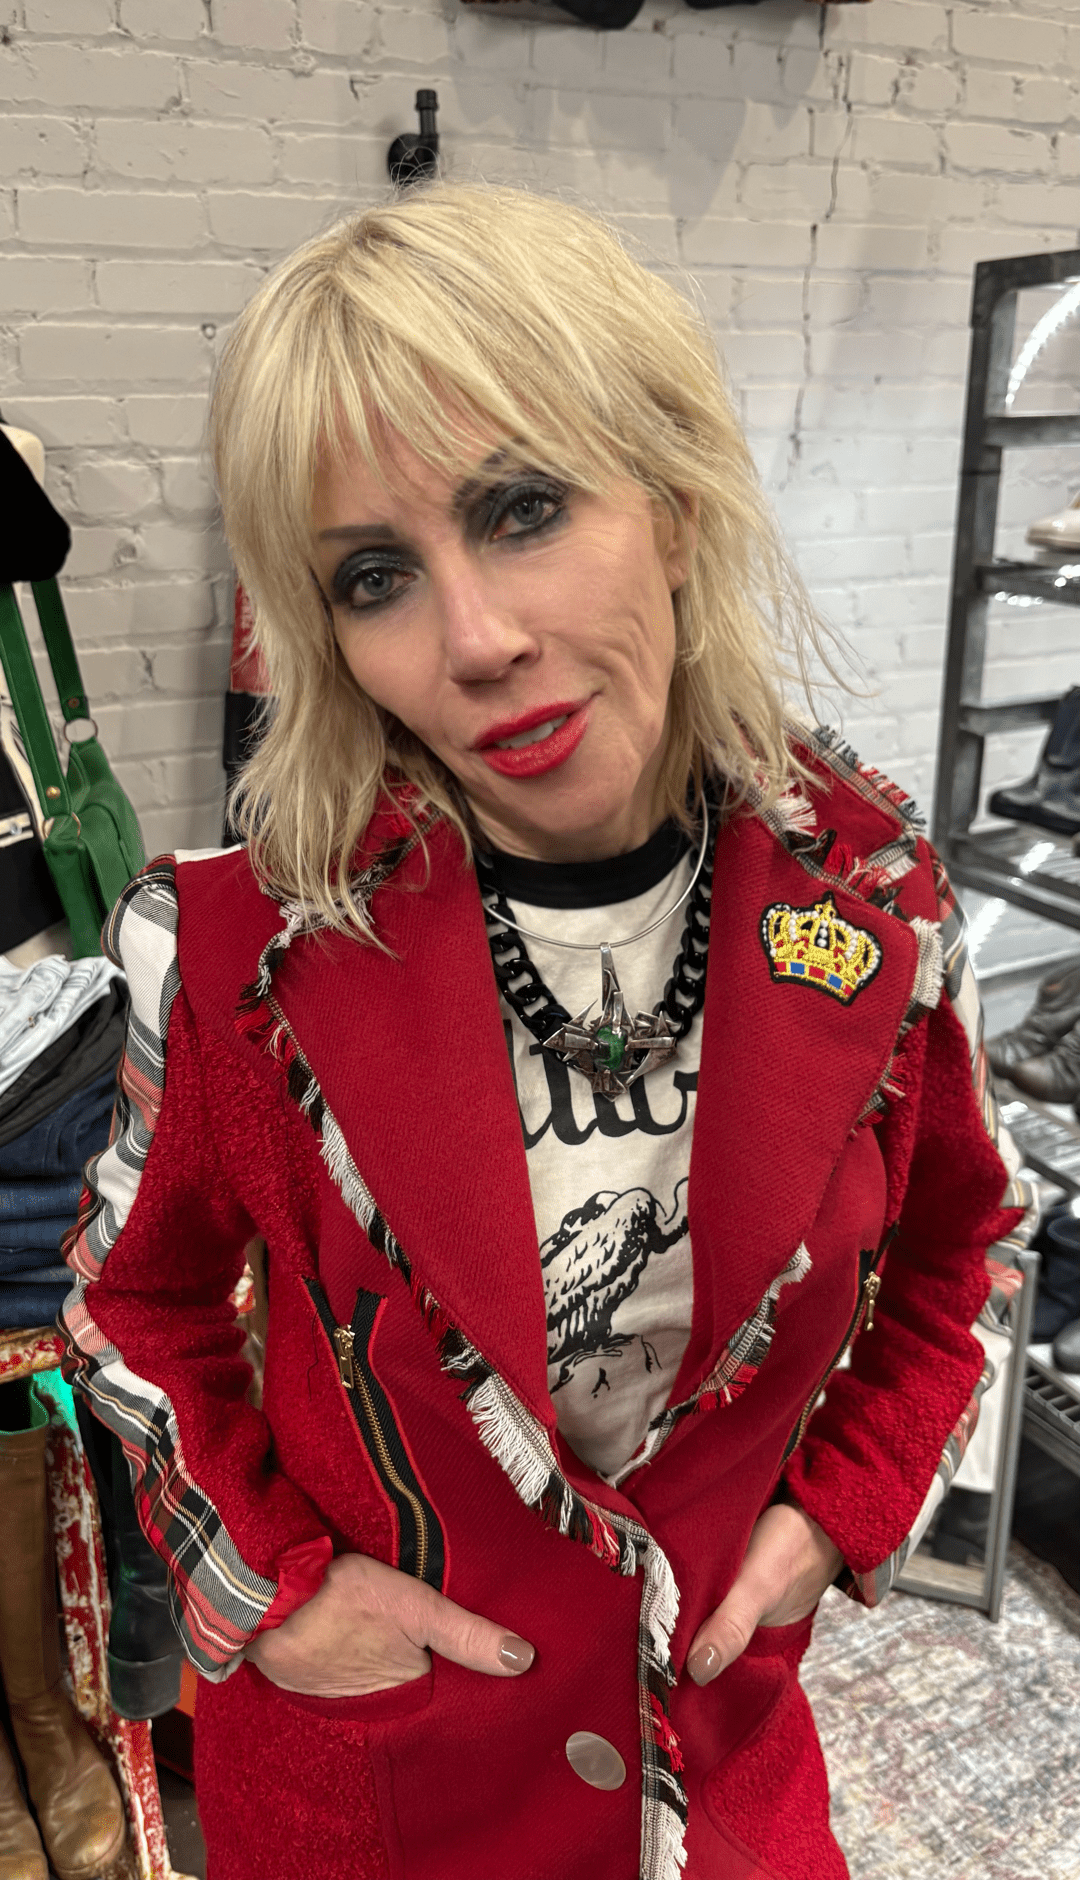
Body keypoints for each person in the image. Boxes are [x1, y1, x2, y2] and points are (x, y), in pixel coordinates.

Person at [59, 185, 1026, 1880]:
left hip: (720, 1784)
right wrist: (267, 1591)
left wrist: (845, 1507)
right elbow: (132, 1306)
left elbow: (969, 1247)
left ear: (672, 501)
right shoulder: (235, 953)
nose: (478, 642)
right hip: (377, 1803)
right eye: (376, 576)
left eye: (522, 509)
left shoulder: (872, 905)